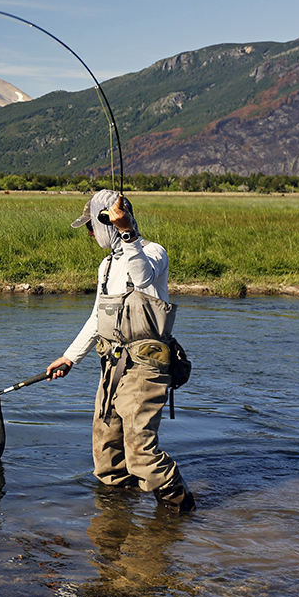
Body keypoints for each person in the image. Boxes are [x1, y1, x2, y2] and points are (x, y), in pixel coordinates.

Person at [45, 189, 195, 512]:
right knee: (106, 450)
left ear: (106, 223)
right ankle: (114, 522)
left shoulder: (153, 251)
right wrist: (70, 357)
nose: (89, 234)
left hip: (145, 367)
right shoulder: (105, 267)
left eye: (91, 226)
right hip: (112, 367)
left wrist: (128, 233)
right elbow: (97, 318)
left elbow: (142, 278)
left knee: (140, 450)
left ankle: (181, 510)